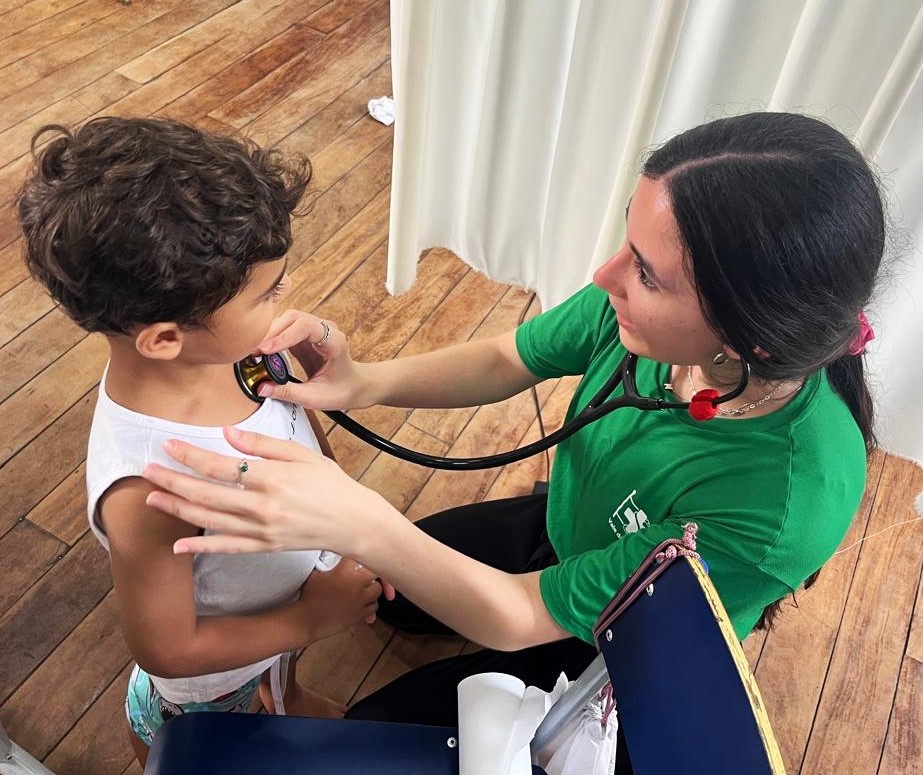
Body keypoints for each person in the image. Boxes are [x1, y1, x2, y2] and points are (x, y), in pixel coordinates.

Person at [138, 112, 885, 744]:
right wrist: (363, 381)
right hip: (564, 532)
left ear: (747, 337)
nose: (604, 275)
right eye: (628, 242)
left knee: (376, 728)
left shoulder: (783, 503)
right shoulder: (639, 319)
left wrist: (360, 518)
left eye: (648, 274)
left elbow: (522, 612)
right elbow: (507, 355)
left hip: (620, 643)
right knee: (388, 593)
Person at [16, 117, 386, 764]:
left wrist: (336, 506)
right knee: (222, 737)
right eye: (267, 292)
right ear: (163, 338)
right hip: (216, 681)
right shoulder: (147, 488)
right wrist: (309, 618)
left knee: (278, 678)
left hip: (278, 609)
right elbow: (168, 648)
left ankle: (285, 691)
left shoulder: (231, 354)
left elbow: (293, 428)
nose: (286, 293)